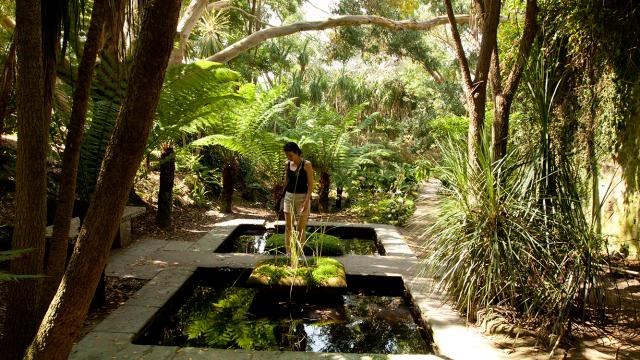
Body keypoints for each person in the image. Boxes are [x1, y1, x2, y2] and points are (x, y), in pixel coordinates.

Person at [281, 142, 313, 256]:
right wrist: (281, 197)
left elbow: (310, 186)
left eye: (290, 155)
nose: (289, 158)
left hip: (303, 198)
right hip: (288, 197)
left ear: (296, 152)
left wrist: (306, 202)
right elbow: (286, 181)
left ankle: (299, 254)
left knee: (301, 228)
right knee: (288, 227)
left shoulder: (306, 164)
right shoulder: (287, 164)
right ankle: (288, 253)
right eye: (287, 156)